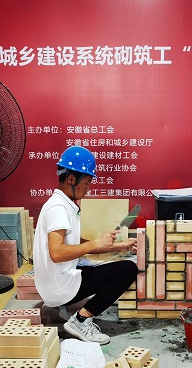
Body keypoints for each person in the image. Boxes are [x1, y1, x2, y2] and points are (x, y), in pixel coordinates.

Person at [33, 146, 138, 344]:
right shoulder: (58, 208)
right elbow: (57, 252)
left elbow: (78, 244)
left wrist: (118, 246)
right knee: (127, 269)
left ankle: (60, 308)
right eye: (87, 182)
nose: (88, 188)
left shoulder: (63, 204)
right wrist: (97, 243)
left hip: (54, 283)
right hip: (59, 286)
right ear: (72, 179)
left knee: (103, 266)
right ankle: (81, 320)